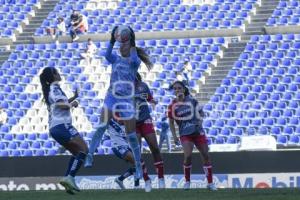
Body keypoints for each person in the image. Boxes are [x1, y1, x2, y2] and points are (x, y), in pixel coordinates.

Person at [84, 26, 153, 181]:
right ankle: (90, 155)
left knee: (131, 136)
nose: (122, 46)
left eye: (125, 44)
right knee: (102, 126)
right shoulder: (115, 59)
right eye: (120, 45)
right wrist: (111, 39)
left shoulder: (134, 63)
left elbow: (134, 54)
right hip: (112, 96)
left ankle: (137, 166)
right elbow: (107, 54)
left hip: (126, 100)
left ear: (130, 47)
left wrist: (132, 40)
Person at [39, 67, 88, 194]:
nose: (59, 74)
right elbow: (61, 105)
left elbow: (59, 103)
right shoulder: (54, 88)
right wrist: (73, 104)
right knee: (84, 149)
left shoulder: (53, 89)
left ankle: (68, 181)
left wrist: (73, 97)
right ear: (53, 76)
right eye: (57, 72)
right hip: (62, 126)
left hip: (56, 128)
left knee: (77, 153)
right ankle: (70, 177)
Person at [167, 81, 217, 190]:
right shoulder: (172, 106)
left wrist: (199, 121)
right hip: (185, 133)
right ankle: (187, 182)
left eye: (179, 88)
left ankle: (210, 183)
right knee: (188, 156)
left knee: (206, 156)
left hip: (198, 132)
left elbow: (202, 114)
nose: (177, 90)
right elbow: (171, 122)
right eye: (175, 89)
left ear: (184, 89)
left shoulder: (193, 101)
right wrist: (174, 136)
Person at [104, 118, 152, 192]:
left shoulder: (127, 124)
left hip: (127, 147)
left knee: (137, 163)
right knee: (137, 162)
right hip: (118, 147)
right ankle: (137, 186)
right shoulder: (110, 122)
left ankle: (120, 179)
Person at [135, 72, 165, 188]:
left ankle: (161, 178)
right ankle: (146, 179)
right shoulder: (124, 87)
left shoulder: (143, 85)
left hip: (145, 119)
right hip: (132, 122)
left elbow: (149, 98)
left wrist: (153, 102)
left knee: (155, 148)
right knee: (137, 153)